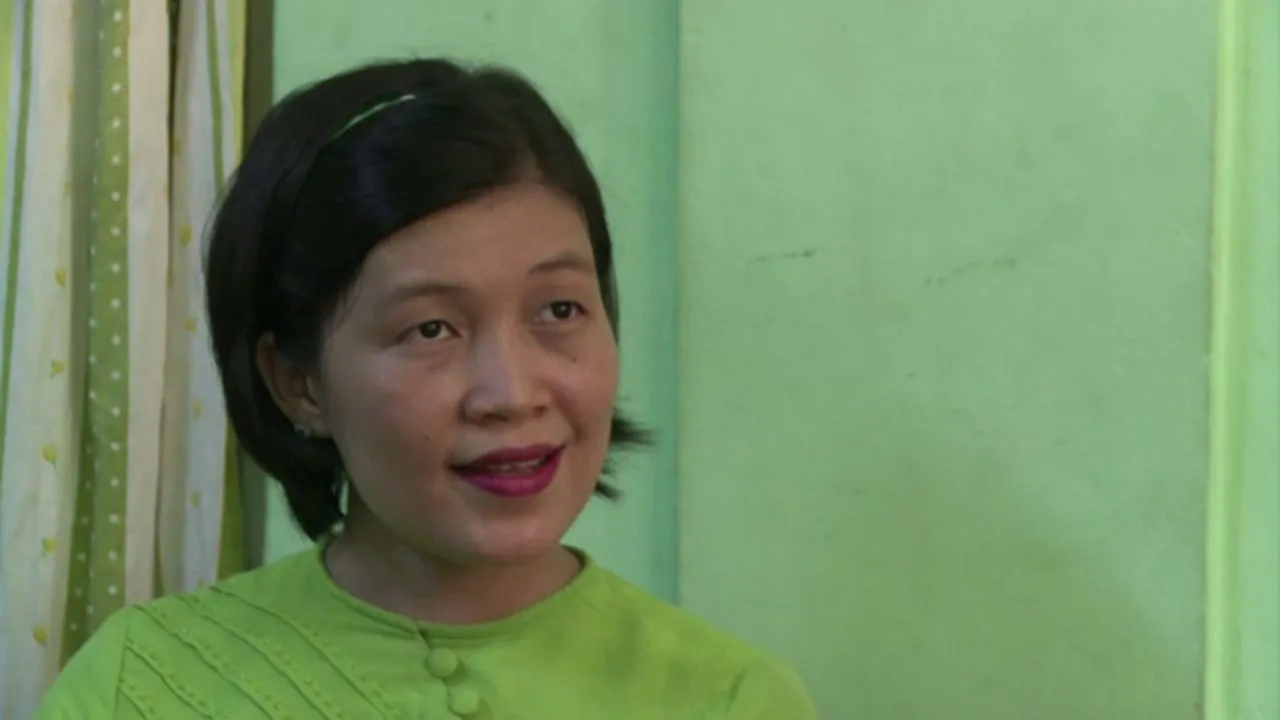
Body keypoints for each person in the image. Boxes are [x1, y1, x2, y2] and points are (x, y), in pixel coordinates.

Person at [37, 58, 818, 719]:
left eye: (559, 310)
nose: (511, 393)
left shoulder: (730, 698)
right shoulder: (139, 686)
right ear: (299, 384)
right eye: (431, 329)